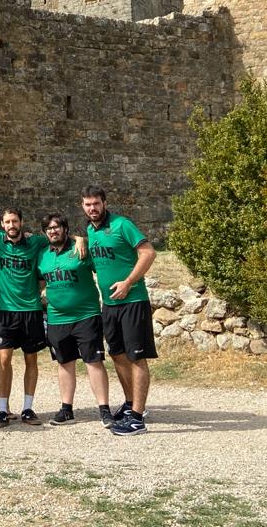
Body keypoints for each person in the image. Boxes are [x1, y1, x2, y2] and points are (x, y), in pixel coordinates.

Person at [81, 186, 157, 436]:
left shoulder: (122, 224)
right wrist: (79, 239)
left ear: (104, 203)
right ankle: (130, 404)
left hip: (133, 301)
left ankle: (137, 418)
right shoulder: (90, 231)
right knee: (117, 355)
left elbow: (148, 252)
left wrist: (128, 282)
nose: (92, 209)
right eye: (87, 205)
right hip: (110, 305)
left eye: (96, 204)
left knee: (136, 357)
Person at [37, 213, 112, 428]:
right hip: (57, 318)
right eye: (49, 228)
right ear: (45, 233)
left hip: (86, 315)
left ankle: (104, 409)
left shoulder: (80, 249)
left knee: (93, 362)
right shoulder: (43, 256)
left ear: (65, 229)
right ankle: (66, 409)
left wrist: (83, 239)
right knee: (64, 363)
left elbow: (102, 265)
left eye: (57, 227)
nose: (53, 231)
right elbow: (41, 282)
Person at [0, 208, 49, 428]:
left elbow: (59, 235)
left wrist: (79, 239)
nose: (11, 225)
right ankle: (3, 410)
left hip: (30, 309)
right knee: (4, 360)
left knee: (31, 360)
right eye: (7, 222)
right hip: (4, 310)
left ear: (22, 222)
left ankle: (28, 408)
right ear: (1, 224)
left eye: (15, 221)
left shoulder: (36, 242)